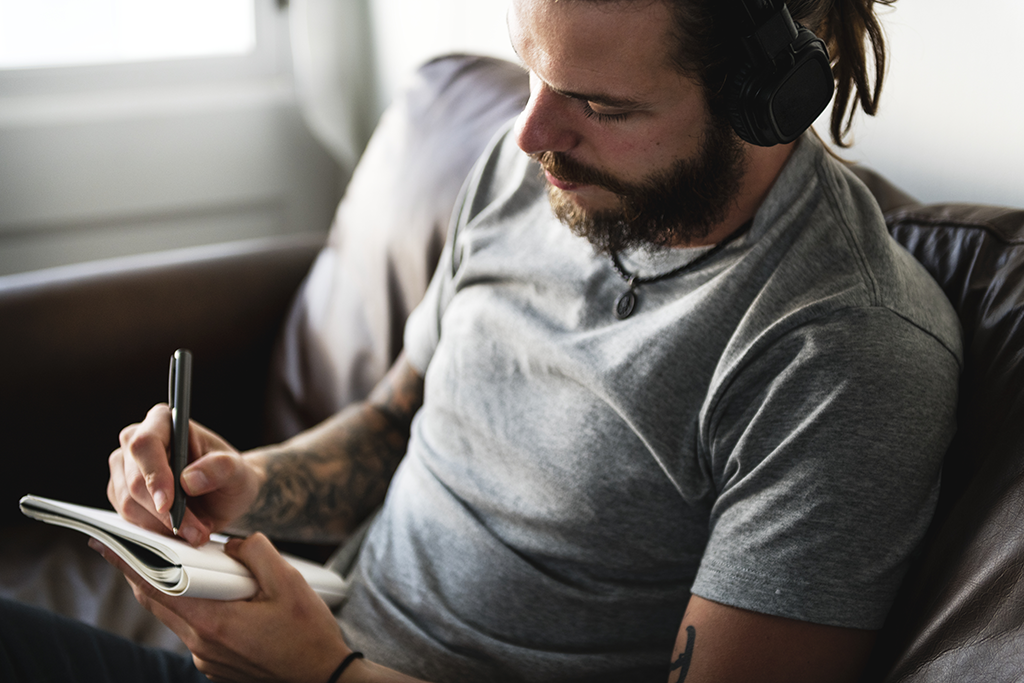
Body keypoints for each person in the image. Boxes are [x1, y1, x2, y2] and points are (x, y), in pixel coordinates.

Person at [0, 0, 961, 681]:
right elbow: (394, 421)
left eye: (601, 105)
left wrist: (324, 671)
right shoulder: (533, 172)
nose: (533, 132)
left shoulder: (842, 353)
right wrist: (248, 483)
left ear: (768, 102)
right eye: (536, 73)